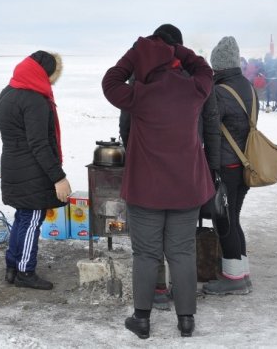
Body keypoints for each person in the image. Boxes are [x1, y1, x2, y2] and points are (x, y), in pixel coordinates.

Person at [103, 36, 215, 339]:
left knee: (146, 254)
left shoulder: (139, 94)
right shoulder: (194, 89)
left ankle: (141, 319)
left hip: (146, 191)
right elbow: (204, 68)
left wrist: (134, 54)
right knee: (181, 252)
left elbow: (110, 80)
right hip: (186, 188)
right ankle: (186, 320)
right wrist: (178, 50)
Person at [0, 50, 71, 291]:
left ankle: (12, 266)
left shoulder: (8, 92)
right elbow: (39, 144)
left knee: (22, 217)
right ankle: (25, 271)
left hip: (13, 164)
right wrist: (58, 177)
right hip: (31, 169)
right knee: (32, 220)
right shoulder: (35, 100)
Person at [203, 36, 253, 296]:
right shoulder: (246, 86)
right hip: (244, 164)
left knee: (224, 222)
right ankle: (242, 274)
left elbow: (209, 129)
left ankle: (233, 279)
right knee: (234, 218)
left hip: (226, 166)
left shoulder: (220, 92)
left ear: (217, 65)